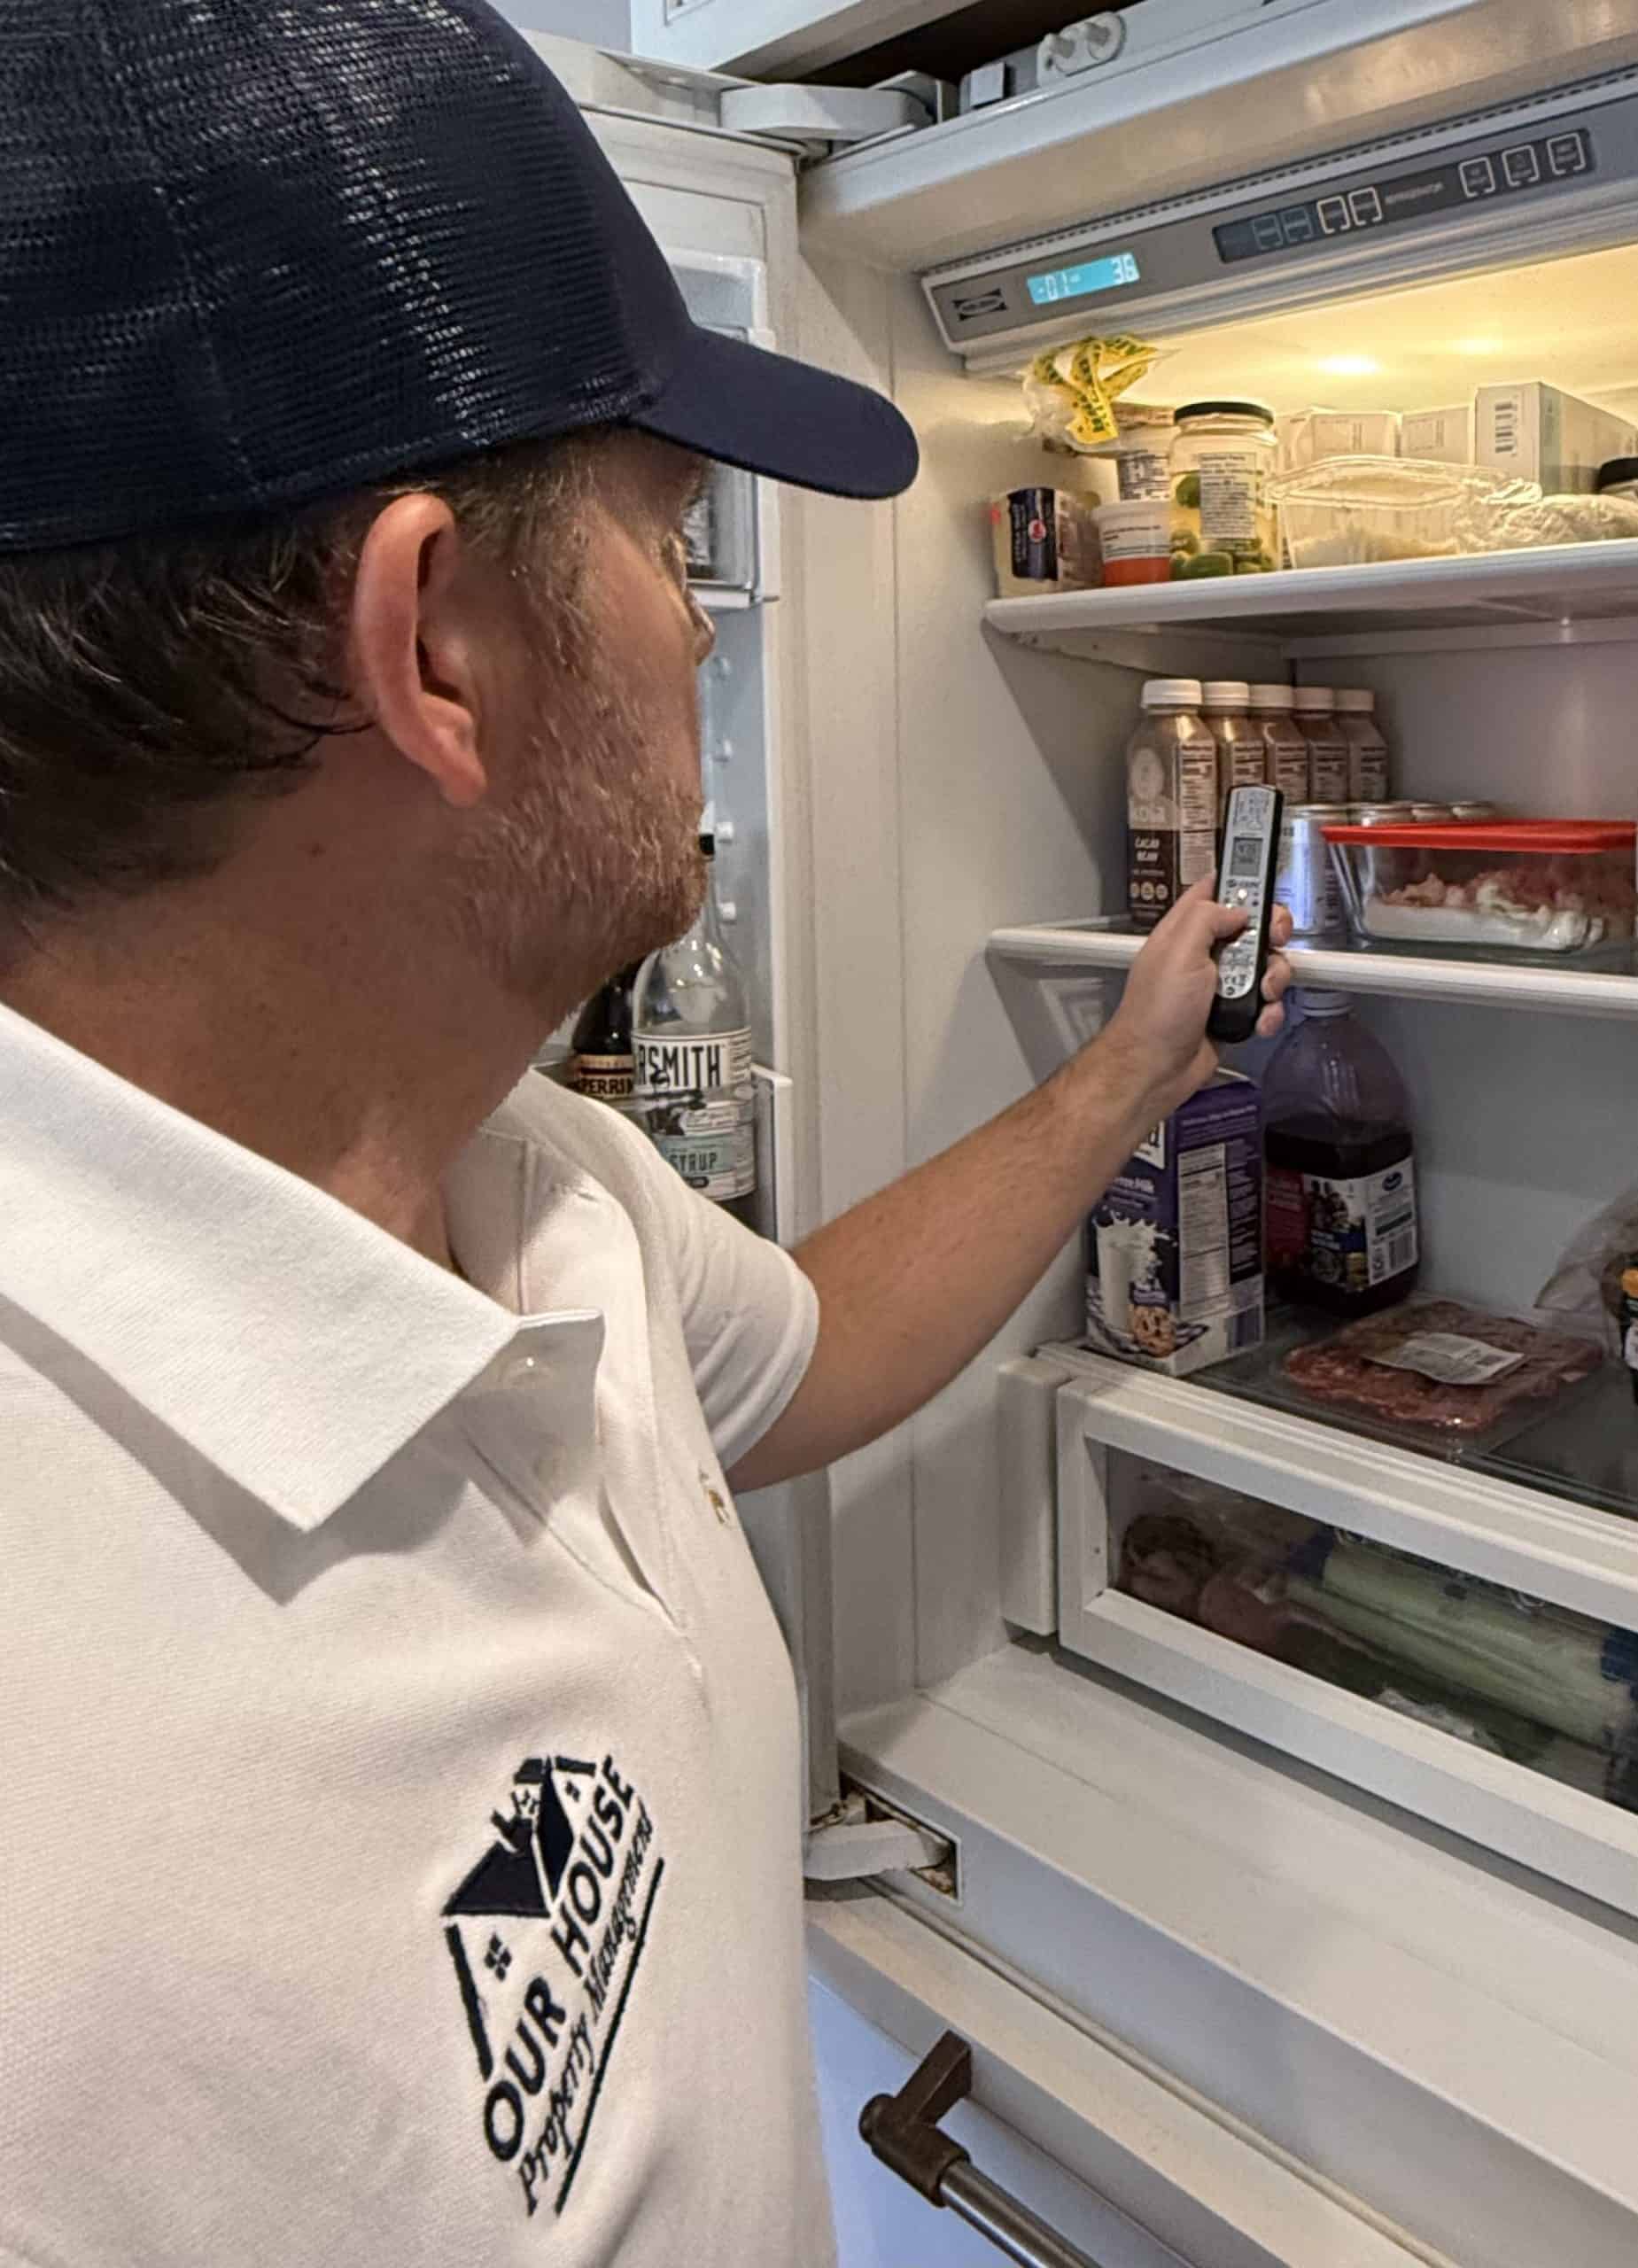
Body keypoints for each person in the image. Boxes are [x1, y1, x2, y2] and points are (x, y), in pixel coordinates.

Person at [0, 6, 1290, 2265]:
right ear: (441, 647)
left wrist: (1138, 1066)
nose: (701, 623)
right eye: (667, 534)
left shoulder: (529, 1176)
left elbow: (802, 1355)